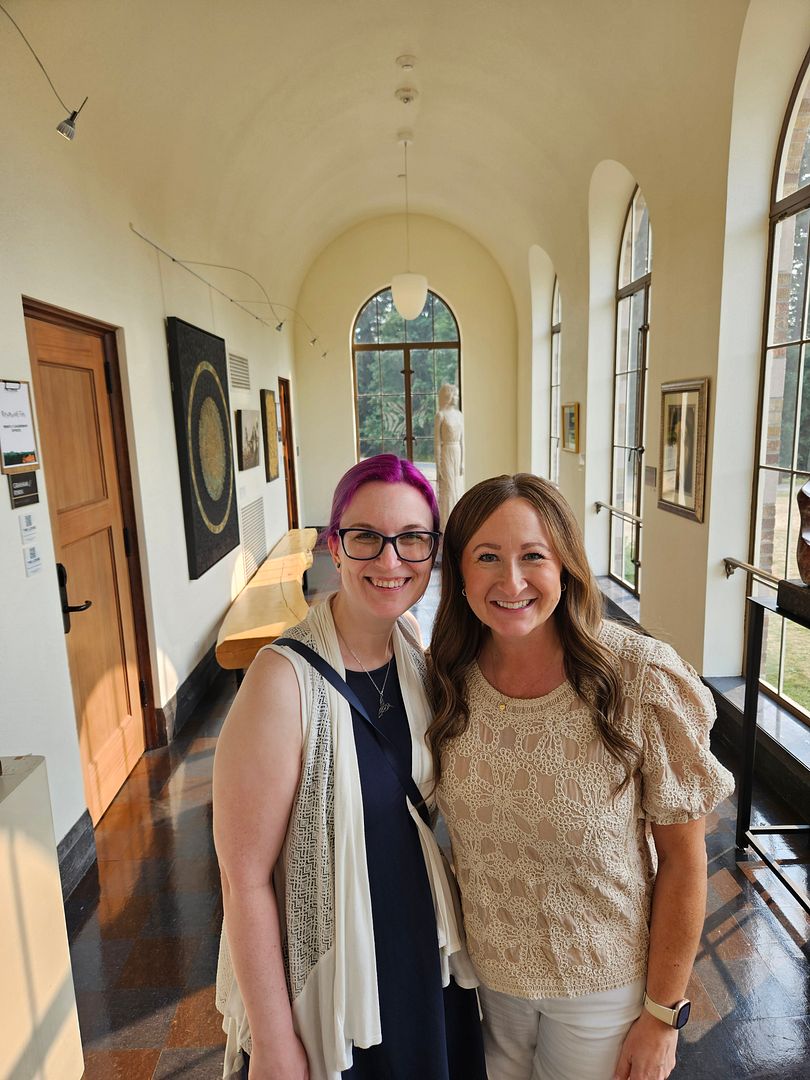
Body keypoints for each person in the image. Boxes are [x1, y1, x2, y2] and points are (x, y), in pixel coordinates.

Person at [427, 473, 734, 1080]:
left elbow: (683, 860)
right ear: (458, 573)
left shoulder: (637, 677)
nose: (511, 581)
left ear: (566, 566)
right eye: (486, 557)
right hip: (486, 981)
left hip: (601, 987)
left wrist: (662, 1015)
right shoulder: (445, 680)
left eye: (533, 556)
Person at [213, 453, 486, 1080]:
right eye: (366, 537)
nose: (391, 561)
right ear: (334, 546)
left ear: (433, 552)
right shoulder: (281, 682)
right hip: (336, 978)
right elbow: (243, 878)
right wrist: (275, 1043)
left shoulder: (411, 645)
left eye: (412, 539)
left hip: (420, 950)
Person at [434, 383, 464, 529]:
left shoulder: (459, 415)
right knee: (448, 487)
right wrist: (438, 464)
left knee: (457, 486)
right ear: (448, 396)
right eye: (455, 395)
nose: (457, 398)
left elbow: (462, 441)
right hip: (446, 452)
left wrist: (462, 462)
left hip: (456, 451)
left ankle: (457, 520)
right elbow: (437, 443)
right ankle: (446, 523)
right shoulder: (440, 415)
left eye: (457, 395)